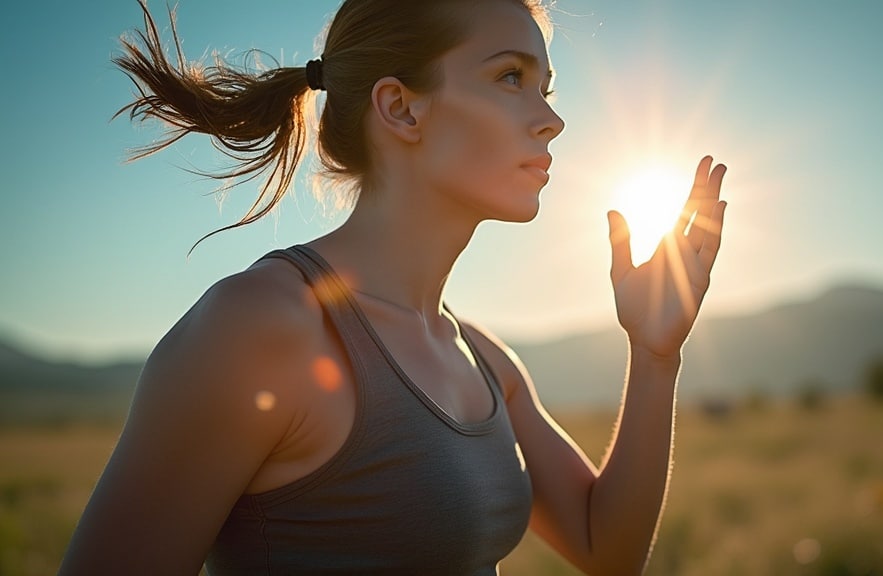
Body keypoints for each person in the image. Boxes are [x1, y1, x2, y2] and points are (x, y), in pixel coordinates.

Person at [59, 0, 727, 574]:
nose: (551, 119)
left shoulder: (486, 358)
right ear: (401, 109)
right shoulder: (260, 327)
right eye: (511, 76)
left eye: (546, 88)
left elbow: (606, 549)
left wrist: (655, 353)